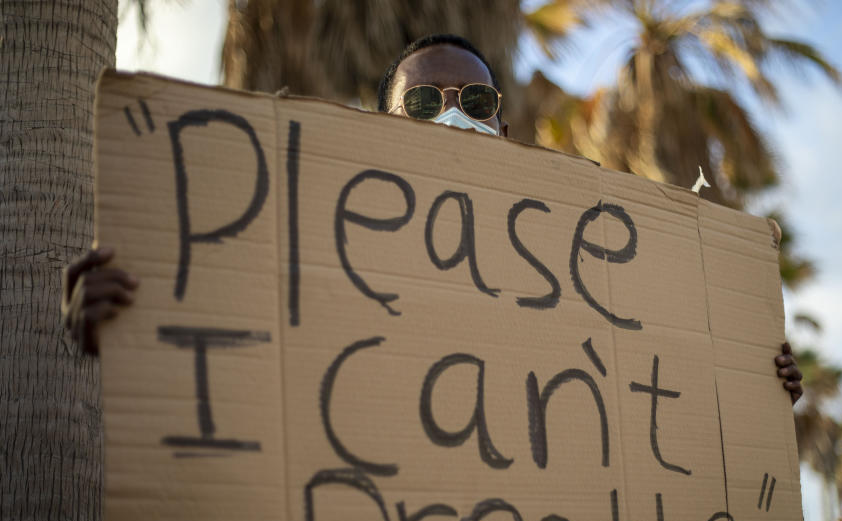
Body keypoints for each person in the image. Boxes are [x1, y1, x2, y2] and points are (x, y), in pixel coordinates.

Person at [61, 34, 804, 405]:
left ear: (503, 129)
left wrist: (745, 385)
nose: (453, 118)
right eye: (421, 104)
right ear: (379, 128)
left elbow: (646, 389)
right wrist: (117, 337)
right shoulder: (307, 259)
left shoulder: (584, 273)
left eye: (475, 105)